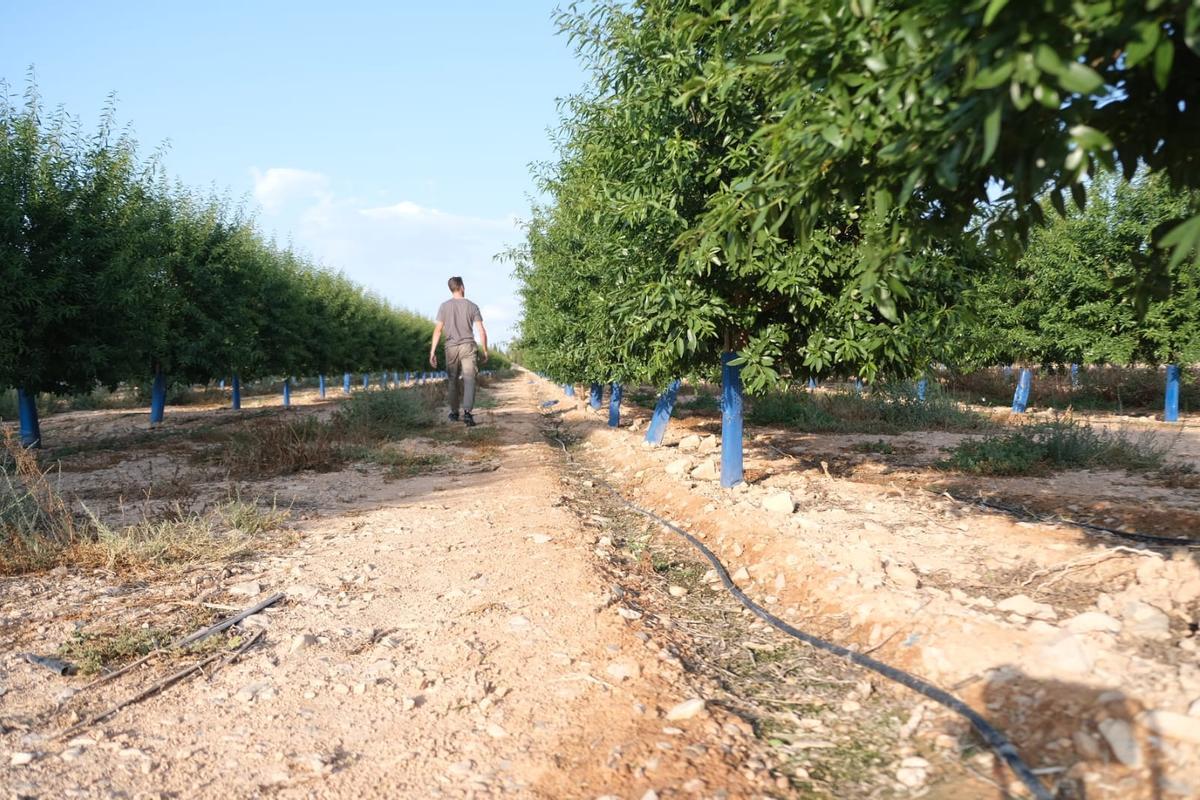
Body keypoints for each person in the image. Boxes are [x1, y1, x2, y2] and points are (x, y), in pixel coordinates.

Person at [429, 276, 488, 426]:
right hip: (468, 346)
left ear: (451, 288)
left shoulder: (444, 306)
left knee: (452, 381)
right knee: (469, 379)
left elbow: (437, 330)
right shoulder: (472, 306)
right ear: (461, 287)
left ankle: (454, 413)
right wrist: (485, 350)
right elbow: (481, 331)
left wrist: (432, 352)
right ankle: (467, 413)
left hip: (451, 348)